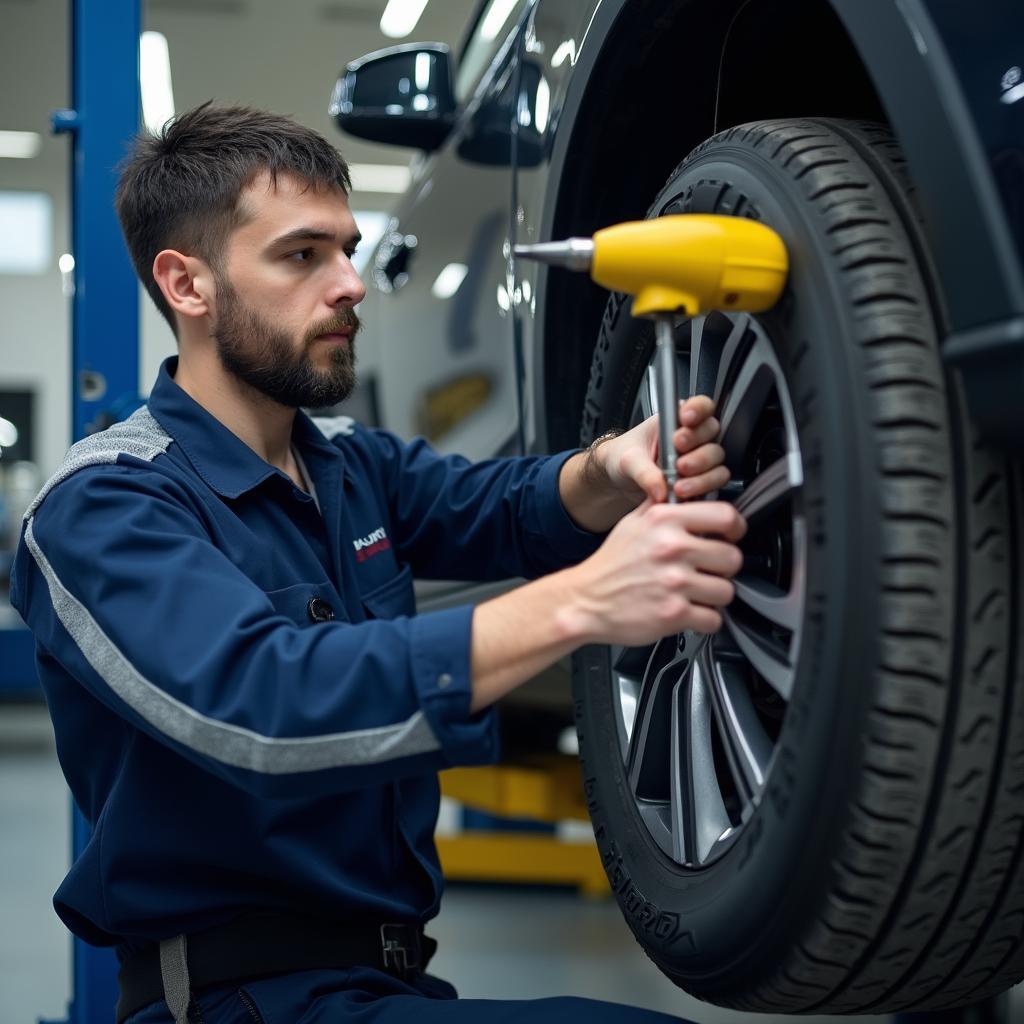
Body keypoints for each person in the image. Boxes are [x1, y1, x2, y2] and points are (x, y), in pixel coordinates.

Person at [10, 103, 745, 1024]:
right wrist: (587, 600)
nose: (351, 284)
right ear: (187, 286)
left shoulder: (347, 465)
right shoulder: (105, 507)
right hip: (237, 1001)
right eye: (302, 255)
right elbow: (262, 705)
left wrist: (609, 466)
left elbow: (501, 508)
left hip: (390, 980)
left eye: (349, 250)